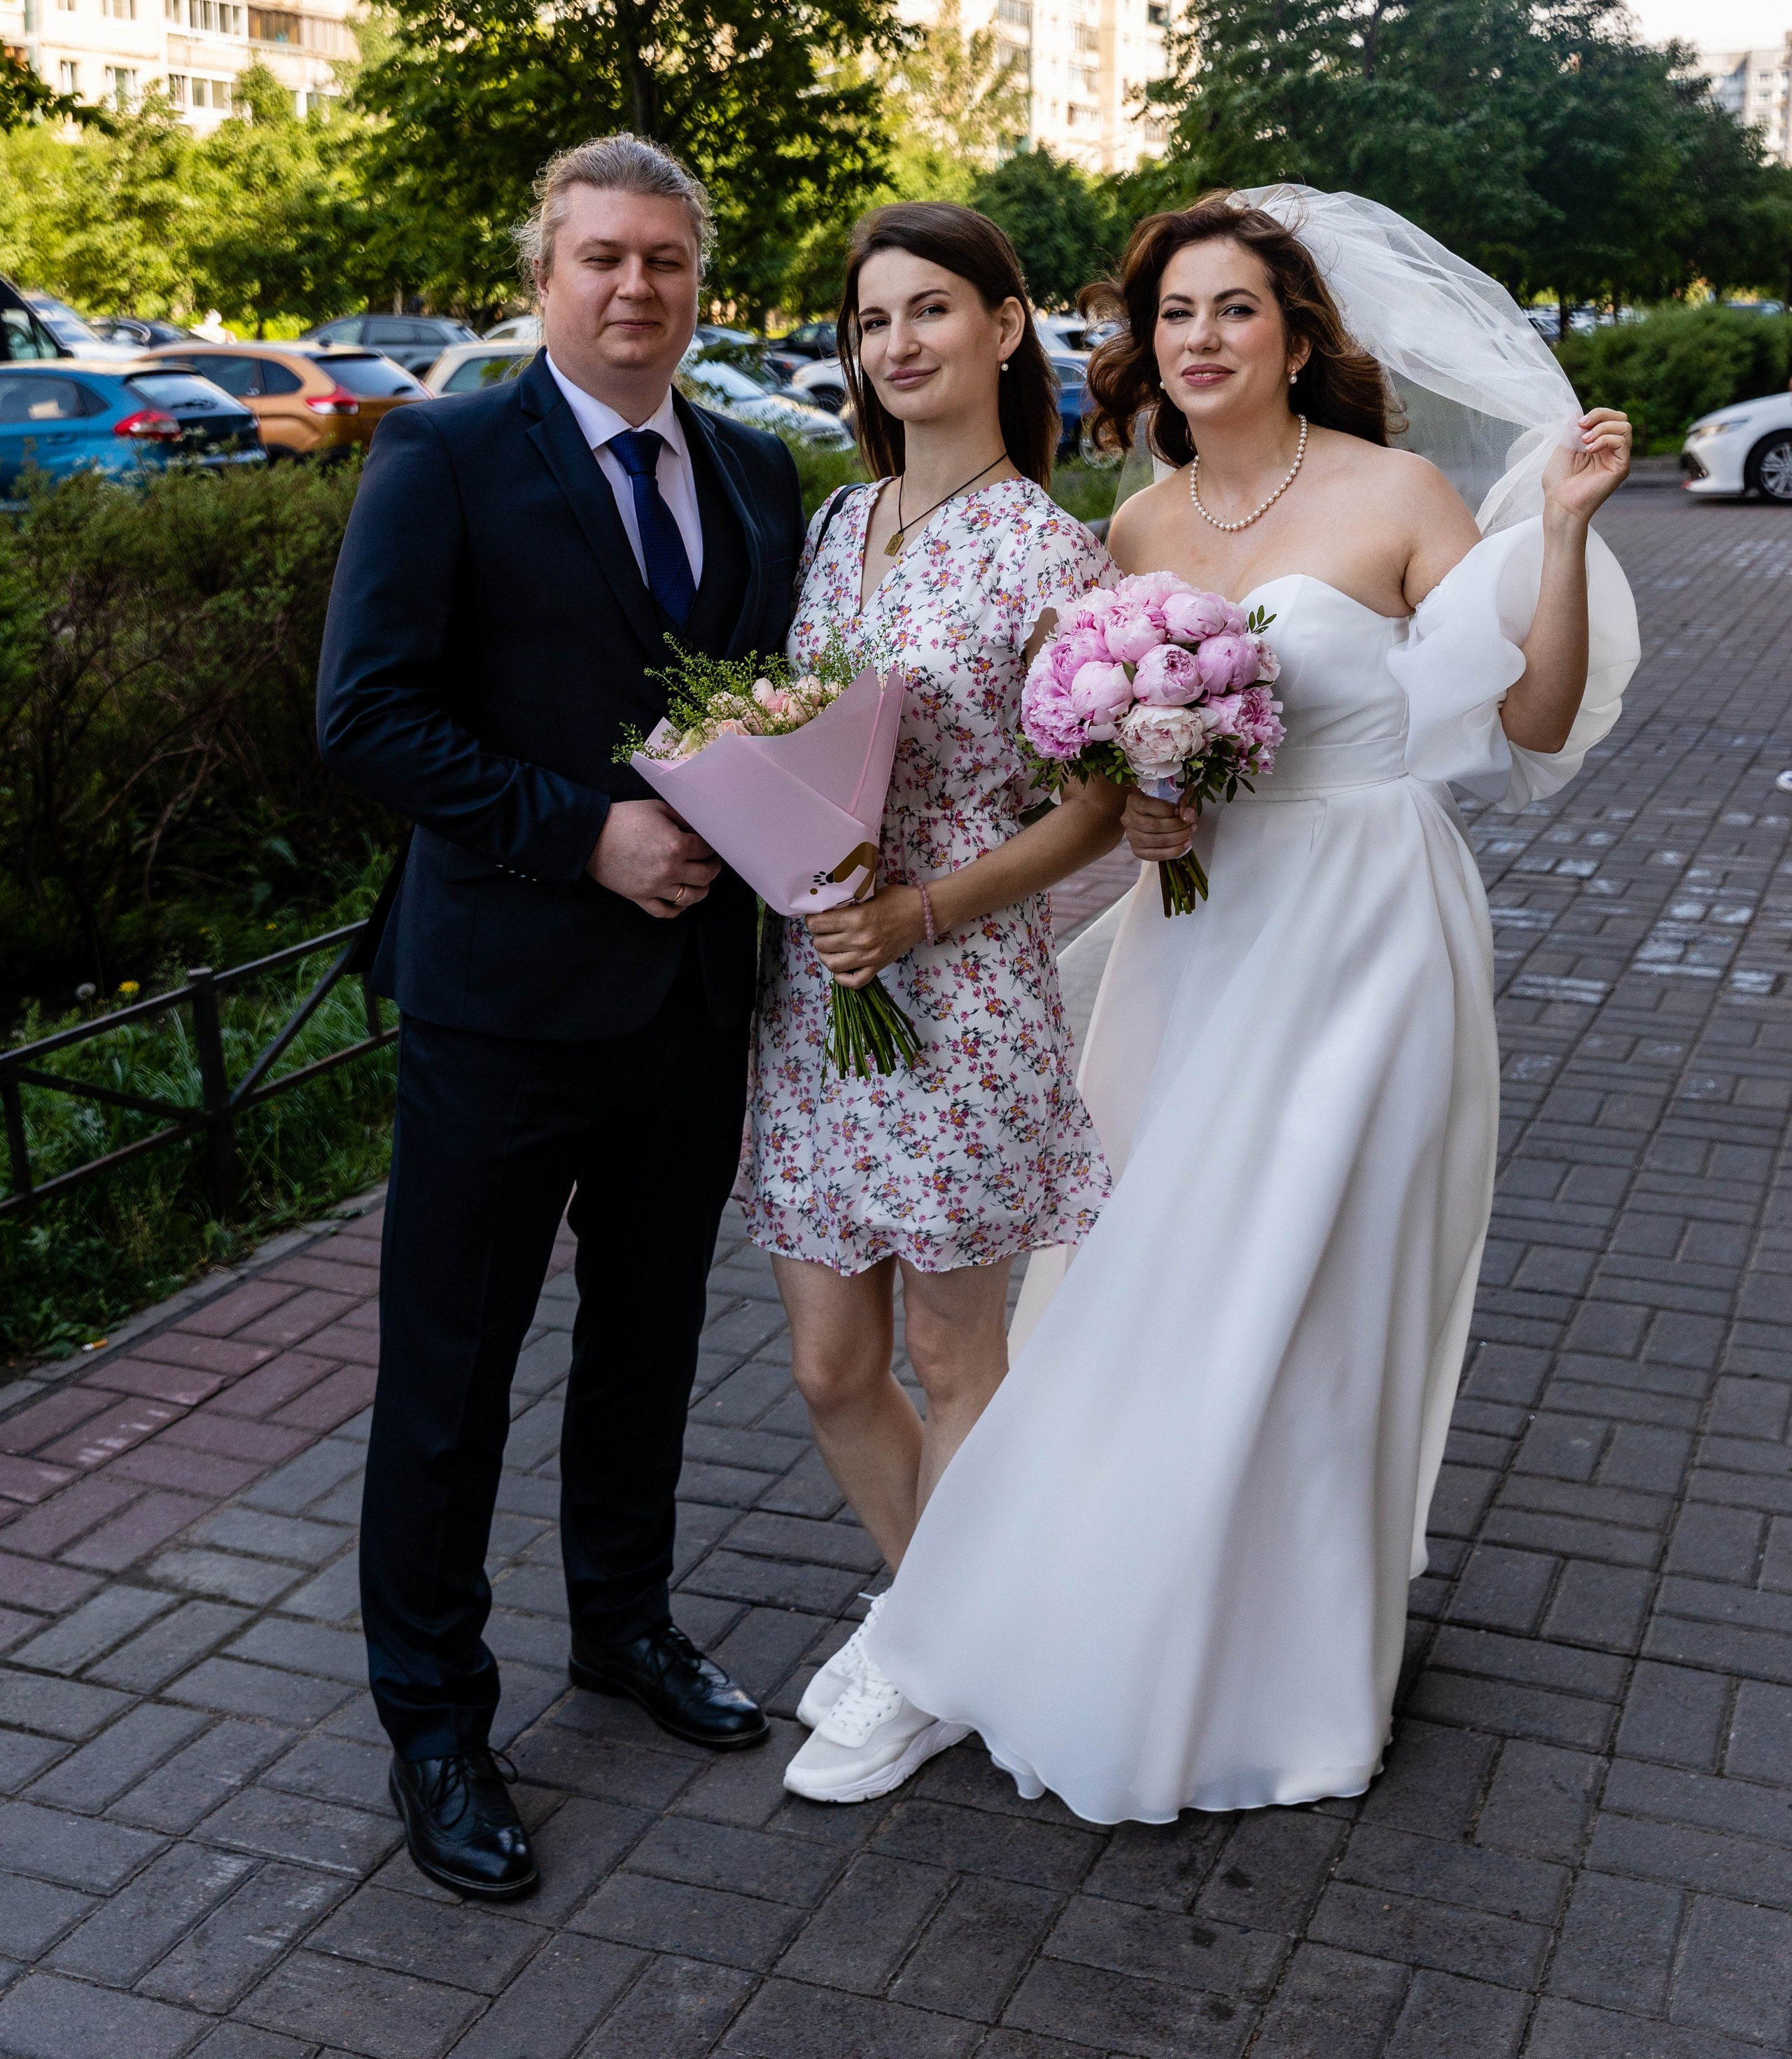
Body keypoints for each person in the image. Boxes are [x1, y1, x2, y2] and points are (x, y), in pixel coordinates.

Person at [785, 186, 1639, 1817]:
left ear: (1296, 337)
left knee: (1312, 1292)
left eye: (1232, 310)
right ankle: (1082, 1598)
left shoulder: (1390, 494)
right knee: (1134, 1281)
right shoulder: (1132, 528)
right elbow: (1109, 773)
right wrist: (1151, 798)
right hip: (1196, 931)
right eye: (1171, 315)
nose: (1197, 340)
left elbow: (1528, 717)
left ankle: (1294, 1647)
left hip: (1366, 931)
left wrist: (1565, 533)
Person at [316, 134, 805, 1901]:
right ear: (543, 274)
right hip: (501, 1008)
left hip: (687, 1003)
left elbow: (769, 722)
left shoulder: (755, 474)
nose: (634, 289)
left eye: (665, 262)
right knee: (447, 1381)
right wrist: (581, 831)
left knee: (650, 1343)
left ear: (698, 285)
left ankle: (626, 1626)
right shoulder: (444, 454)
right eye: (600, 257)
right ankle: (436, 1723)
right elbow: (365, 715)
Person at [740, 202, 1125, 1801]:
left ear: (1004, 326)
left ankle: (928, 1662)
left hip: (958, 1002)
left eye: (929, 311)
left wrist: (922, 909)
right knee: (831, 1365)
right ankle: (945, 1616)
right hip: (818, 999)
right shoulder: (843, 524)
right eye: (869, 319)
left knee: (961, 1364)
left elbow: (1096, 806)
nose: (895, 343)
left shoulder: (1050, 549)